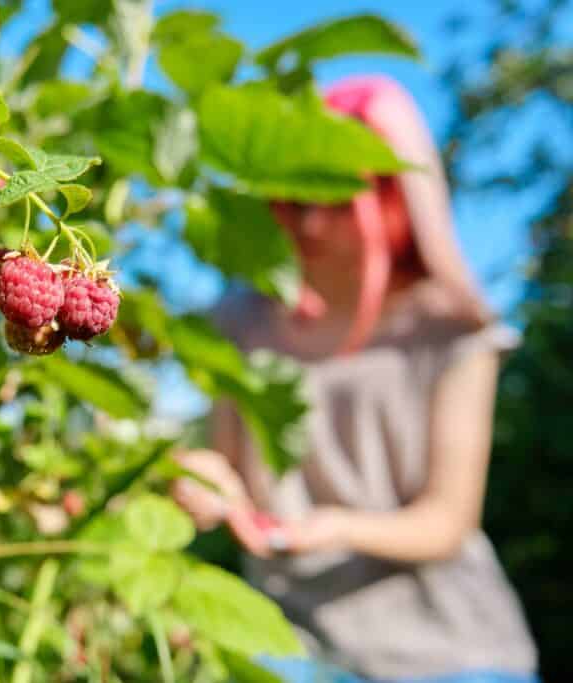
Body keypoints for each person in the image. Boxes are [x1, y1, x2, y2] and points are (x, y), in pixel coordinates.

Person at [171, 75, 539, 683]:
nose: (310, 225)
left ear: (395, 196)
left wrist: (335, 528)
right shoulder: (240, 321)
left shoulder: (451, 331)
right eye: (293, 201)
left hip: (448, 646)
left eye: (336, 200)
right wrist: (204, 484)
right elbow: (228, 470)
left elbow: (449, 519)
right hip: (292, 643)